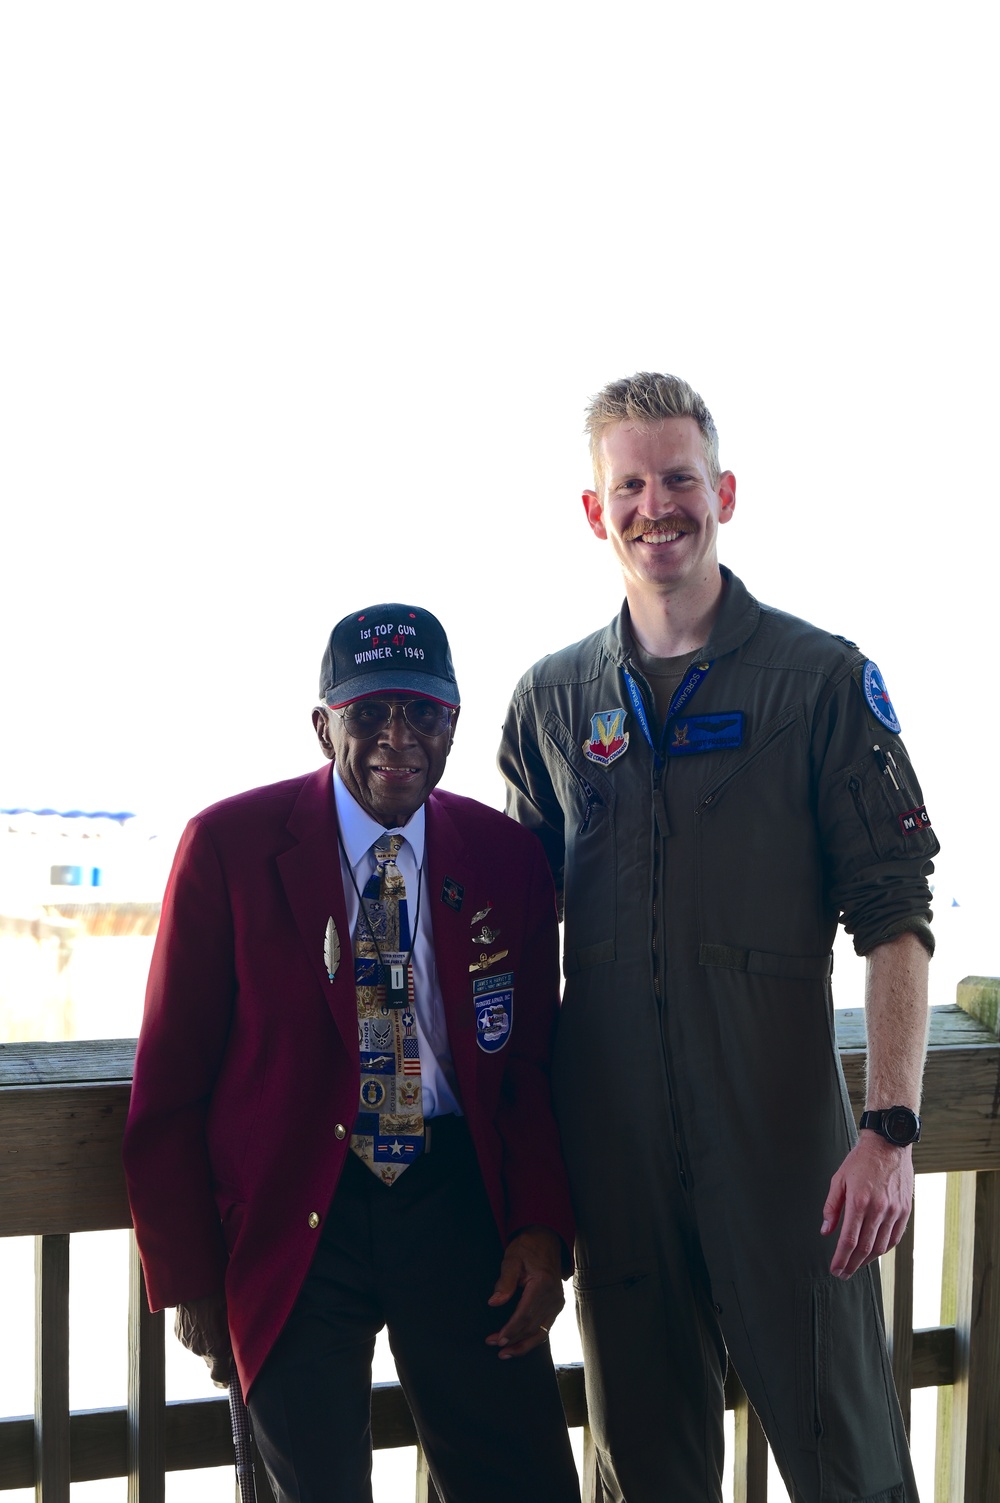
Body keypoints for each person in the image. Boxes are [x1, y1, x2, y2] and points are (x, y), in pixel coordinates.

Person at [498, 373, 937, 1503]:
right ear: (595, 513)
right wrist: (525, 1189)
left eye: (679, 479)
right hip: (614, 1172)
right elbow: (496, 946)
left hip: (790, 1167)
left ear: (724, 493)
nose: (658, 506)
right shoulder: (549, 704)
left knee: (853, 1469)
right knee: (645, 1475)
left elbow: (895, 916)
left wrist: (887, 1128)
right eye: (630, 485)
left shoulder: (821, 681)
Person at [123, 603, 580, 1503]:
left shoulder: (504, 856)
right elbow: (169, 1084)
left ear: (455, 720)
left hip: (458, 1202)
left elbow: (528, 1070)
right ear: (324, 722)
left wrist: (542, 1231)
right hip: (299, 1209)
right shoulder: (229, 847)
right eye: (370, 712)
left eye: (424, 713)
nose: (398, 739)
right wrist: (189, 1279)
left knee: (525, 1481)